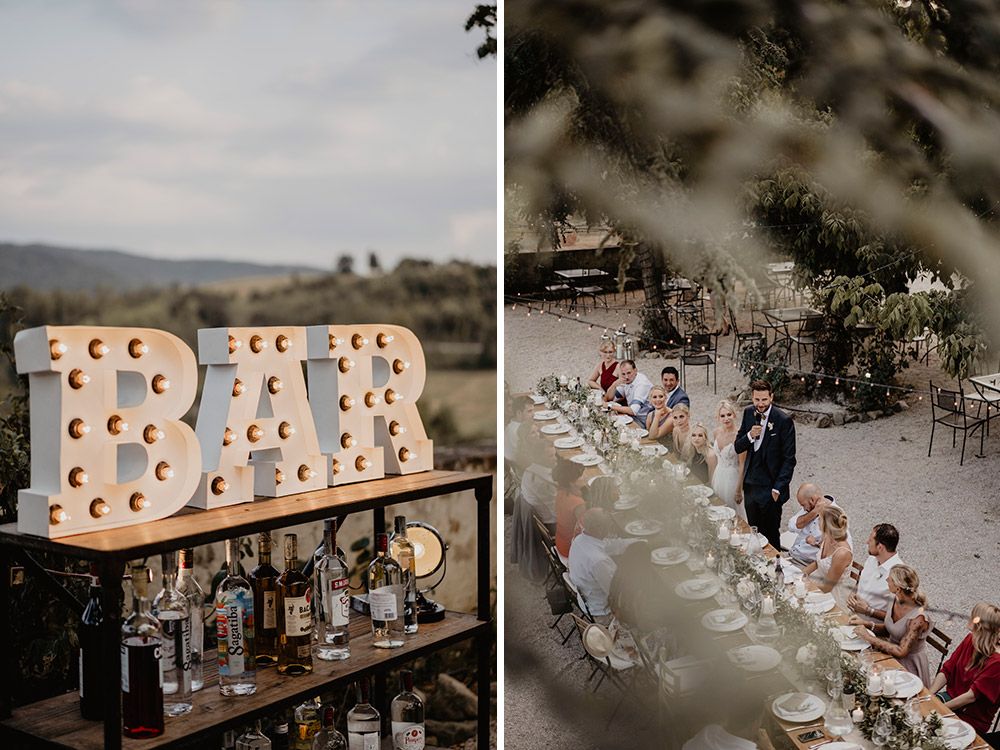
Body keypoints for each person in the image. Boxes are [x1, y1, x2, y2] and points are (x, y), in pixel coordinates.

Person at [734, 379, 796, 551]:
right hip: (751, 485)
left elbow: (789, 459)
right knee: (754, 532)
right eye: (756, 400)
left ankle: (776, 569)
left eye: (764, 400)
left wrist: (777, 489)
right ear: (752, 398)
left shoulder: (783, 421)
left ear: (771, 397)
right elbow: (738, 446)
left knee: (771, 535)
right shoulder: (748, 413)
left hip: (770, 488)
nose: (760, 404)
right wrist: (749, 435)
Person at [848, 564, 934, 686]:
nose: (886, 580)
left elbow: (901, 651)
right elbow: (891, 629)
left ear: (898, 589)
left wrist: (868, 637)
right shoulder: (894, 599)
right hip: (889, 658)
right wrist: (865, 624)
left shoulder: (919, 618)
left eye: (889, 579)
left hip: (909, 668)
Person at [929, 602, 1000, 735]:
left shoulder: (996, 663)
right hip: (951, 698)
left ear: (979, 626)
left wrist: (939, 709)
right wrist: (929, 696)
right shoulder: (970, 639)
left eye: (972, 615)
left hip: (971, 717)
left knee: (927, 728)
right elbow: (947, 670)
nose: (968, 616)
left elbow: (971, 697)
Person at [567, 508, 639, 624]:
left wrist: (641, 542)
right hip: (604, 613)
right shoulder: (599, 561)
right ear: (600, 529)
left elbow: (612, 545)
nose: (610, 528)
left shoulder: (580, 539)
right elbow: (618, 593)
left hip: (588, 600)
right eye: (609, 526)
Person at [847, 524, 903, 623]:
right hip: (852, 617)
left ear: (880, 547)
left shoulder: (899, 575)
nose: (867, 542)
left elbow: (897, 619)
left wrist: (869, 611)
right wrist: (853, 592)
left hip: (872, 629)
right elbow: (862, 578)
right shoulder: (872, 558)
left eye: (870, 541)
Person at [784, 484, 851, 566]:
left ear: (812, 499)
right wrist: (815, 511)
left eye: (803, 505)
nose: (805, 509)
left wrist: (816, 544)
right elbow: (791, 526)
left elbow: (841, 549)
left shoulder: (835, 516)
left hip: (806, 563)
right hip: (793, 554)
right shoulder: (812, 507)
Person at [800, 506, 853, 605]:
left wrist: (804, 585)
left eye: (819, 519)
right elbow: (817, 563)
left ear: (826, 525)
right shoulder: (828, 537)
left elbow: (827, 588)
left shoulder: (841, 553)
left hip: (832, 593)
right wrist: (799, 575)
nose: (817, 522)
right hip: (817, 579)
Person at [711, 400, 745, 519]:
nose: (726, 418)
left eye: (729, 414)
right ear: (718, 418)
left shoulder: (739, 436)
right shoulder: (716, 432)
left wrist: (738, 490)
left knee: (733, 513)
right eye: (722, 416)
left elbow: (742, 466)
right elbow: (716, 457)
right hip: (719, 475)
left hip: (732, 478)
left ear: (734, 415)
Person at [519, 435, 558, 529]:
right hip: (552, 524)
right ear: (539, 457)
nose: (555, 459)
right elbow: (557, 513)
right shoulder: (543, 483)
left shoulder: (529, 470)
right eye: (550, 456)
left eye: (555, 455)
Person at [552, 458, 586, 564]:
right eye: (581, 476)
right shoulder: (578, 504)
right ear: (571, 483)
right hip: (570, 548)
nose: (585, 477)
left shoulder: (561, 493)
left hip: (560, 541)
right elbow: (586, 530)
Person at [606, 359, 654, 427]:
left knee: (614, 425)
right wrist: (613, 385)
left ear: (635, 371)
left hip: (645, 421)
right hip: (634, 416)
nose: (626, 377)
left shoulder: (641, 384)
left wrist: (609, 407)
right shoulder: (627, 380)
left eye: (629, 373)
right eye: (623, 374)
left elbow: (633, 411)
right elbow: (610, 398)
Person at [505, 396, 531, 467]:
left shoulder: (512, 426)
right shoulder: (517, 432)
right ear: (519, 413)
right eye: (529, 411)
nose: (533, 414)